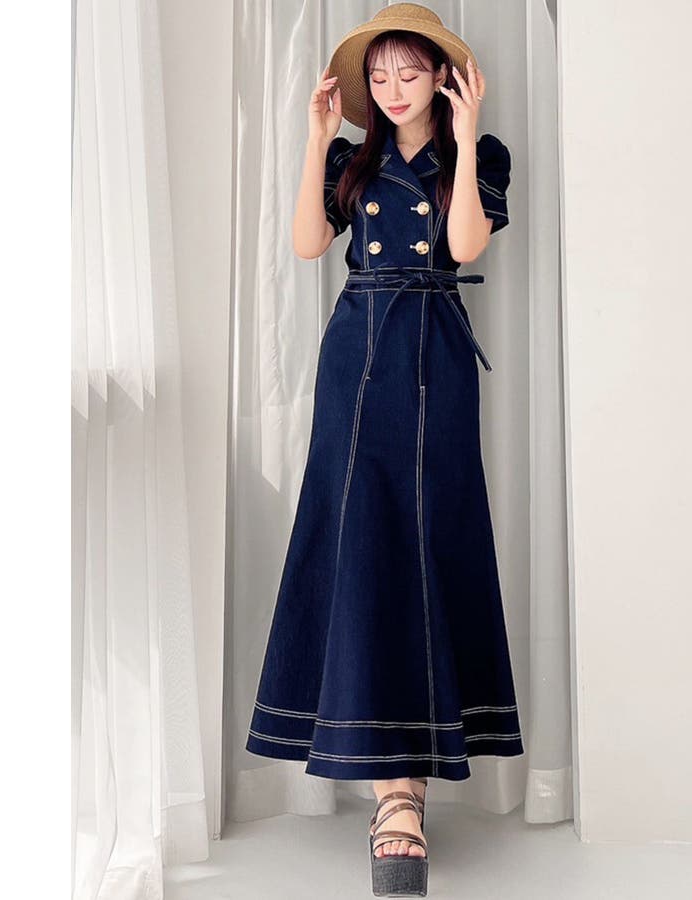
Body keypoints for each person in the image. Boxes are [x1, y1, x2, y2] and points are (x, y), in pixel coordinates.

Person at [244, 4, 524, 895]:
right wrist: (315, 138)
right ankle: (390, 794)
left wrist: (467, 135)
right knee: (357, 544)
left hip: (435, 349)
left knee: (430, 543)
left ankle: (412, 784)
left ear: (442, 77)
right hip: (355, 352)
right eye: (379, 75)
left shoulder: (480, 155)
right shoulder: (348, 160)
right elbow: (306, 245)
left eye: (410, 72)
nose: (393, 89)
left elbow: (465, 244)